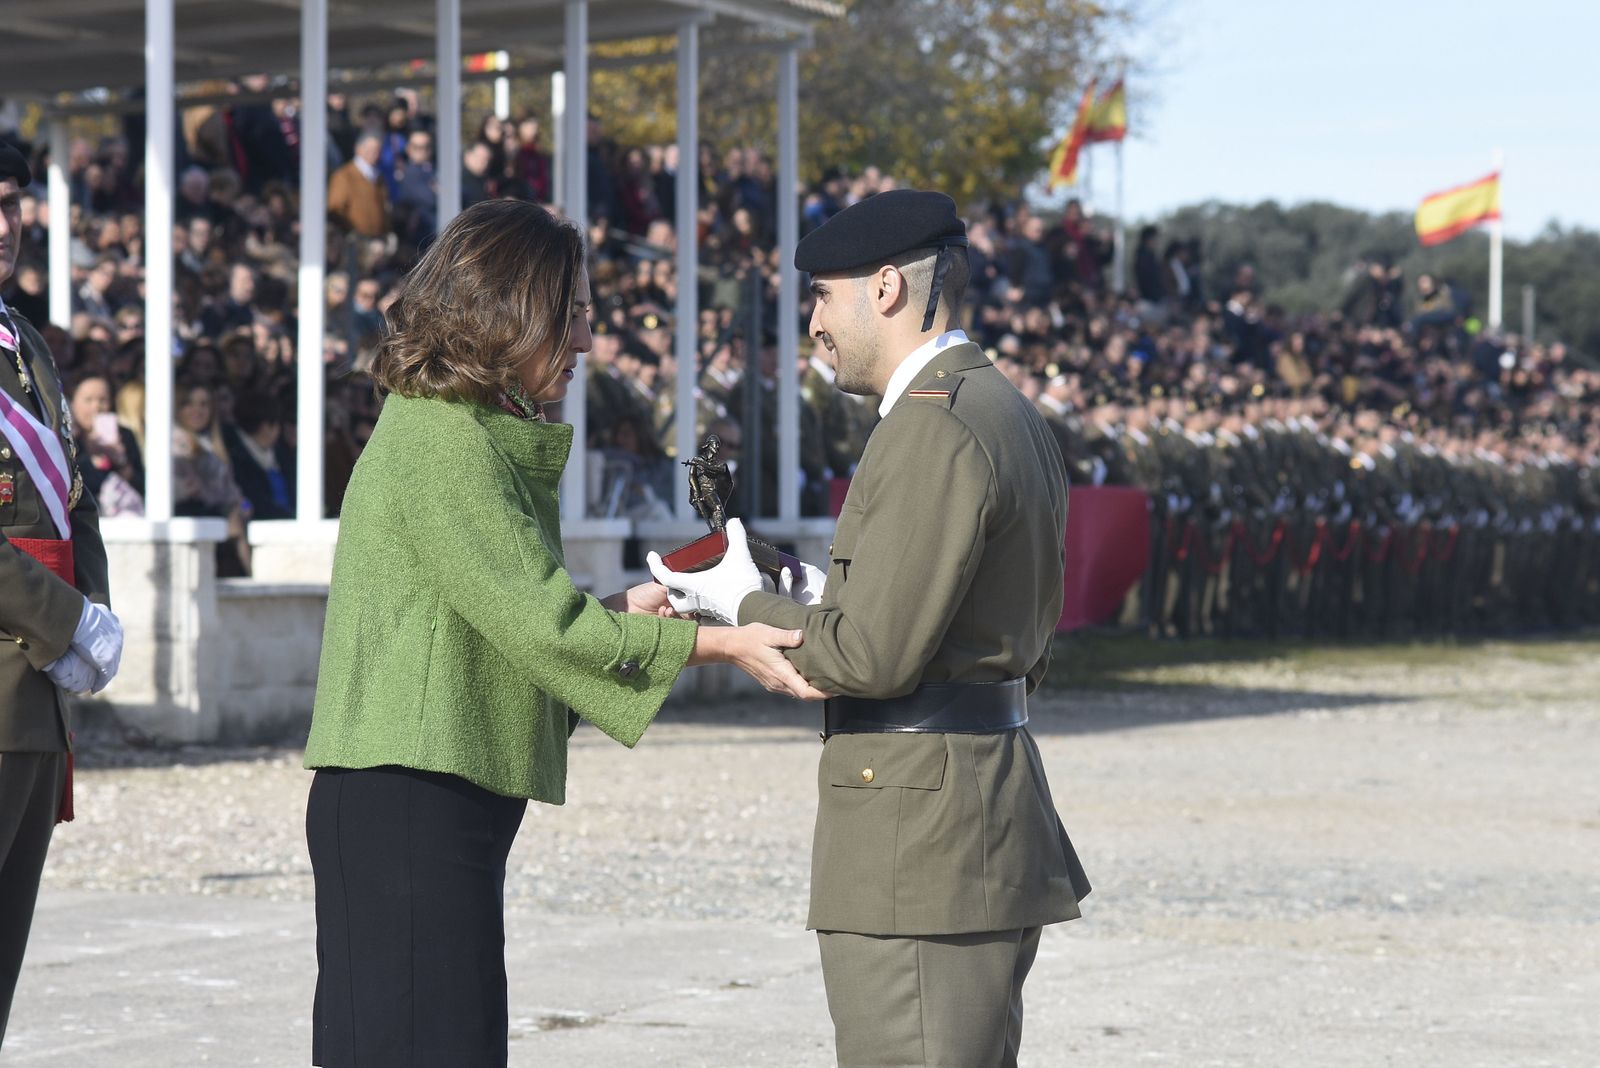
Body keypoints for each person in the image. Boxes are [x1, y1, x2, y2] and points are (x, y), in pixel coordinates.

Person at [301, 198, 823, 1068]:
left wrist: (623, 613)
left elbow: (501, 617)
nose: (586, 340)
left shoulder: (463, 430)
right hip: (408, 801)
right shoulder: (444, 438)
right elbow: (541, 625)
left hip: (426, 796)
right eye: (572, 313)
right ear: (505, 309)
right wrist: (719, 642)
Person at [651, 189, 1091, 1068]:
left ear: (885, 288)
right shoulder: (996, 407)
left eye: (822, 295)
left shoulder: (931, 424)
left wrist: (738, 598)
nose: (815, 321)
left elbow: (868, 654)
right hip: (969, 811)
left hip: (917, 844)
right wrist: (809, 592)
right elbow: (979, 626)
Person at [0, 144, 123, 1048]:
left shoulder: (26, 340)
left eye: (10, 205)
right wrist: (67, 617)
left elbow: (70, 493)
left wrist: (97, 610)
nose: (3, 228)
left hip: (36, 694)